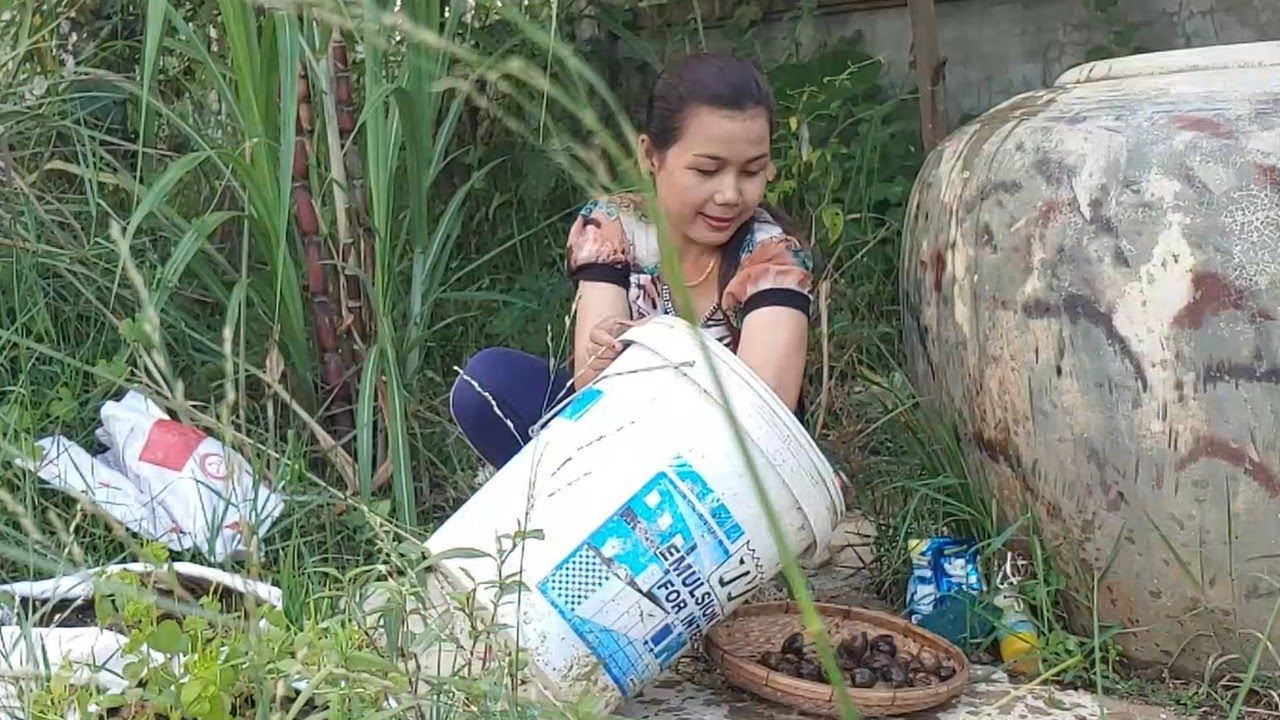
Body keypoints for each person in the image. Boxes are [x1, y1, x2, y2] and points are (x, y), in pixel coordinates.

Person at [450, 52, 814, 470]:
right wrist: (606, 356)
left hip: (727, 475)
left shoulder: (772, 257)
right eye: (707, 170)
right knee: (487, 383)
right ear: (650, 156)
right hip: (620, 438)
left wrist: (664, 350)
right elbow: (591, 381)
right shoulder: (613, 226)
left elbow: (763, 421)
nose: (730, 194)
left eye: (752, 172)